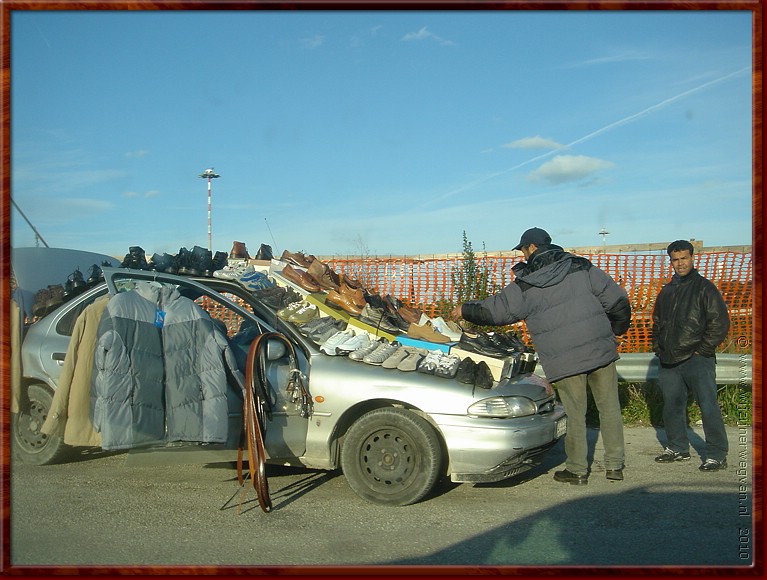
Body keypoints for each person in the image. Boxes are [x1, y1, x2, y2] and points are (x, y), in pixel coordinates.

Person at [451, 227, 631, 485]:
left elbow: (498, 311)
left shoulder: (527, 282)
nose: (523, 256)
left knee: (575, 413)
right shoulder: (581, 267)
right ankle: (615, 467)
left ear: (532, 247)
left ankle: (578, 470)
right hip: (600, 351)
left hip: (565, 359)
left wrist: (466, 309)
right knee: (610, 409)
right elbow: (617, 300)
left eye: (523, 250)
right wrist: (615, 330)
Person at [652, 240, 731, 472]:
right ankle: (677, 448)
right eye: (675, 260)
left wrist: (703, 350)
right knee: (672, 405)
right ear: (671, 261)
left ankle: (717, 454)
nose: (680, 263)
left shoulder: (705, 288)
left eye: (684, 258)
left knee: (708, 406)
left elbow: (720, 322)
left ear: (692, 258)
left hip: (697, 358)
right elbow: (657, 323)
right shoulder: (666, 291)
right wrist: (659, 348)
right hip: (669, 359)